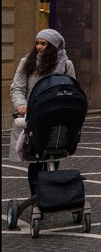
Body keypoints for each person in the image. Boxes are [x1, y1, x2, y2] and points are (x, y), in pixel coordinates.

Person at [10, 29, 77, 195]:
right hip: (34, 116)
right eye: (37, 43)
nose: (39, 47)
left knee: (54, 155)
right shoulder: (27, 62)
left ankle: (50, 194)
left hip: (58, 117)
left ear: (53, 47)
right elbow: (17, 87)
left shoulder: (66, 65)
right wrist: (21, 104)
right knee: (36, 158)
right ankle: (37, 195)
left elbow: (72, 88)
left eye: (43, 44)